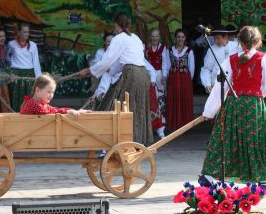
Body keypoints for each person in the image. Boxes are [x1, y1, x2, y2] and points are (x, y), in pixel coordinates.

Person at [201, 26, 266, 192]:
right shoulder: (263, 58)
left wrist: (209, 112)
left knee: (224, 139)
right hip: (253, 105)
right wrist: (255, 95)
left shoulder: (230, 60)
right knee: (256, 140)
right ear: (257, 42)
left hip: (233, 105)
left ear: (239, 42)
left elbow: (220, 87)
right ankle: (260, 180)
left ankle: (208, 176)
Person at [78, 12, 153, 146]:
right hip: (142, 75)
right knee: (136, 109)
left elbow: (107, 61)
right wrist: (109, 71)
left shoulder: (118, 39)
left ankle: (121, 142)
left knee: (116, 105)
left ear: (116, 25)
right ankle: (136, 142)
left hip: (132, 74)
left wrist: (89, 70)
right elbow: (120, 63)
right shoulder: (135, 38)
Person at [163, 29, 195, 131]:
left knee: (185, 100)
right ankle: (173, 125)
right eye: (178, 37)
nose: (180, 39)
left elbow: (192, 67)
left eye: (182, 37)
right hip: (173, 79)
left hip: (184, 79)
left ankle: (185, 126)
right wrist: (166, 77)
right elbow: (167, 65)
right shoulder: (170, 50)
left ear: (185, 38)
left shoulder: (189, 51)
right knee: (173, 100)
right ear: (175, 38)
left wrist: (188, 80)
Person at [8, 23, 42, 112]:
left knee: (29, 97)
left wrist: (39, 78)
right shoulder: (11, 44)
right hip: (16, 75)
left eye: (28, 32)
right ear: (19, 32)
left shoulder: (33, 45)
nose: (26, 34)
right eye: (24, 32)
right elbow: (7, 58)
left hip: (29, 75)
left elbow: (36, 62)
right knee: (16, 97)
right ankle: (15, 115)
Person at [20, 73, 88, 116]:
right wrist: (69, 112)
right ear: (38, 90)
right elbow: (49, 114)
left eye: (53, 92)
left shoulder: (41, 104)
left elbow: (55, 109)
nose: (51, 95)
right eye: (49, 92)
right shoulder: (34, 103)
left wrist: (73, 111)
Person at [200, 25, 240, 94]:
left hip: (234, 85)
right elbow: (206, 68)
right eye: (214, 38)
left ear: (226, 37)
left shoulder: (236, 46)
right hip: (216, 84)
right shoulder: (212, 49)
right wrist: (207, 84)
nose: (215, 40)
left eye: (218, 38)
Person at [145, 28, 168, 138]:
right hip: (149, 75)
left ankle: (161, 125)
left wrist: (164, 75)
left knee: (161, 99)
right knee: (151, 100)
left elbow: (165, 62)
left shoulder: (163, 48)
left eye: (156, 36)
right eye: (153, 36)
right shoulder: (146, 48)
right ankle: (151, 124)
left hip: (159, 75)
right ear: (150, 37)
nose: (154, 38)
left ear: (159, 37)